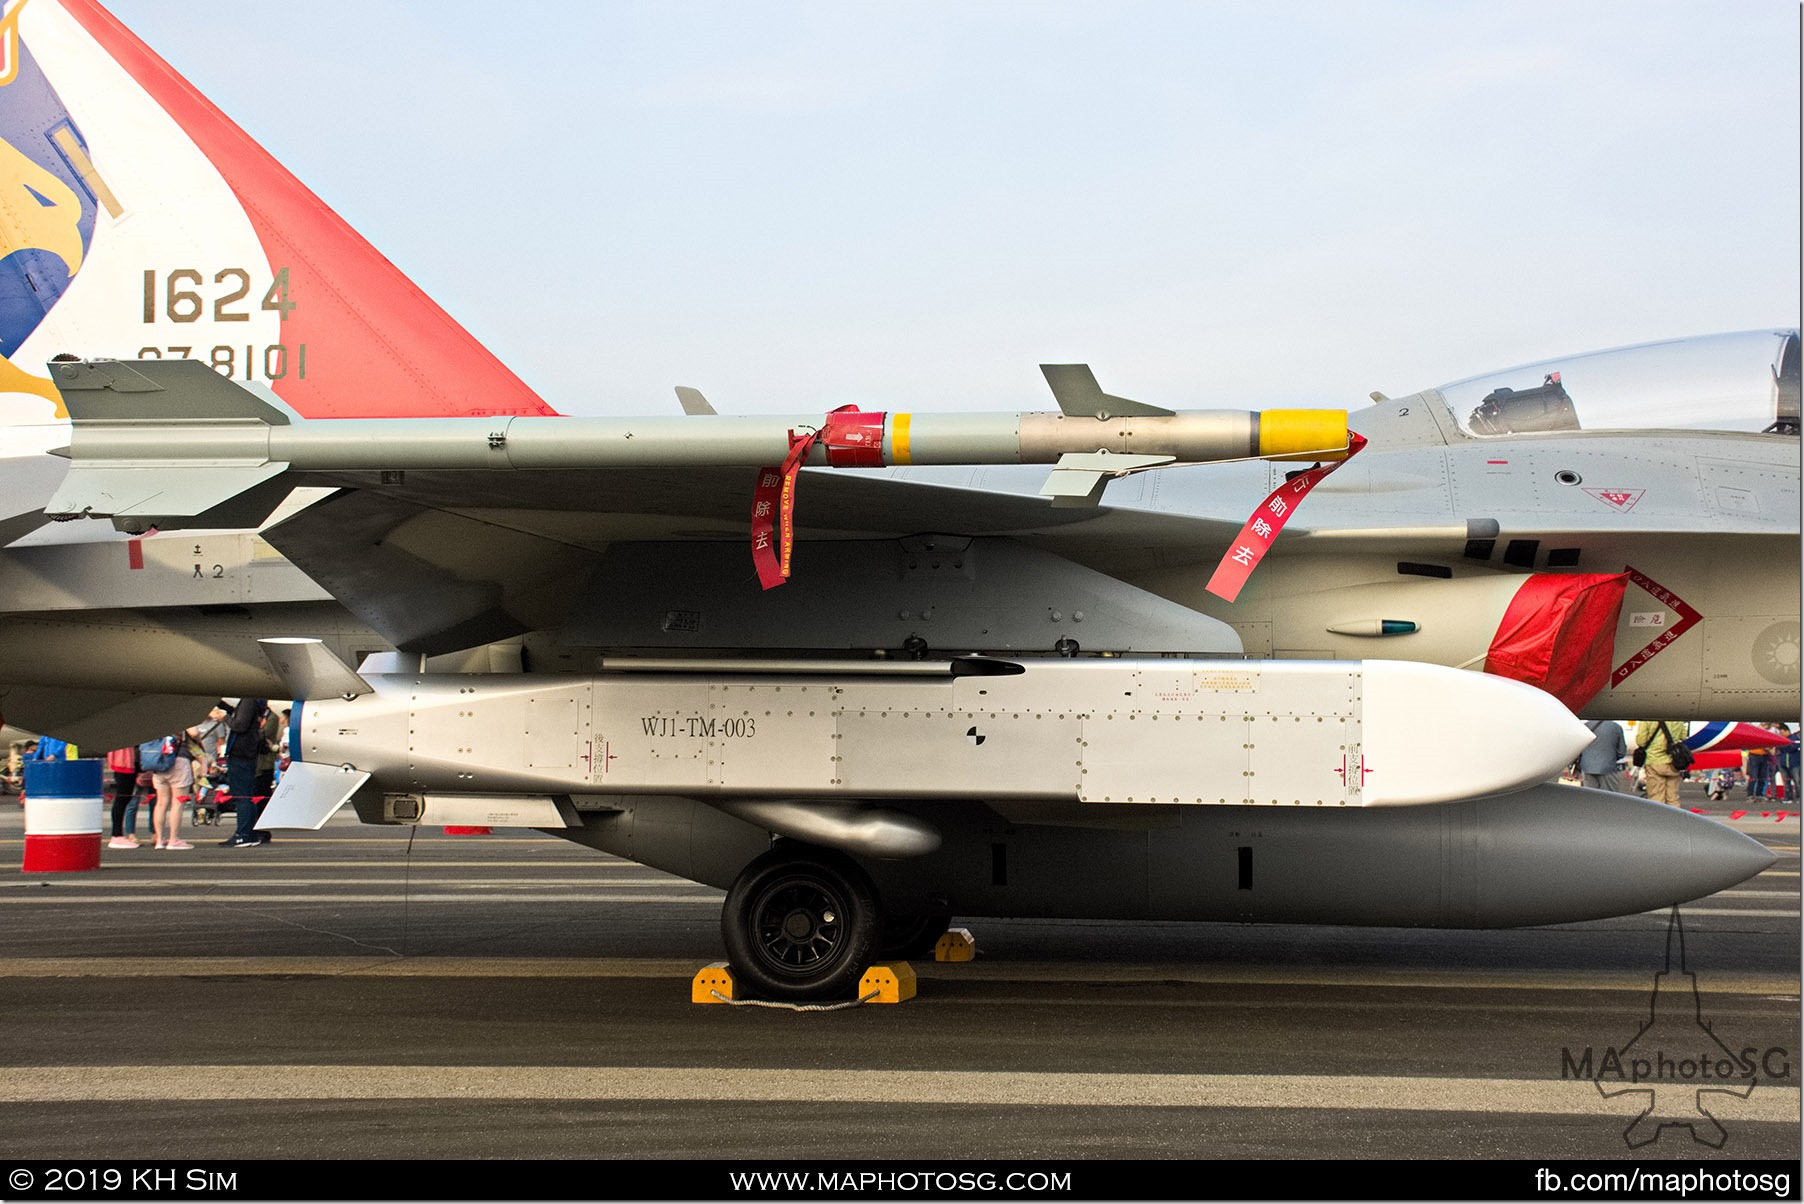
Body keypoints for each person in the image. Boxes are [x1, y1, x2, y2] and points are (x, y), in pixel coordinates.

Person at [220, 699, 272, 847]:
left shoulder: (248, 700)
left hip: (240, 753)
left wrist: (223, 717)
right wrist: (223, 706)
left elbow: (239, 725)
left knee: (242, 796)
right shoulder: (255, 701)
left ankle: (243, 834)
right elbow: (241, 716)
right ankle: (251, 833)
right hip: (248, 753)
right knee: (249, 796)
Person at [144, 732, 196, 850]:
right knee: (177, 803)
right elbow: (195, 732)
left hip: (159, 761)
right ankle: (173, 839)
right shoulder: (179, 717)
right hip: (178, 760)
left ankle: (159, 839)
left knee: (161, 803)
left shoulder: (156, 720)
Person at [1634, 720, 1688, 808]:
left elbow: (1641, 741)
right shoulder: (1677, 719)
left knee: (1656, 797)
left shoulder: (1647, 719)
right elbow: (1683, 736)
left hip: (1654, 760)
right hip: (1673, 762)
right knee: (1673, 798)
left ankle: (1658, 820)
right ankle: (1673, 819)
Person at [1576, 720, 1629, 793]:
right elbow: (1621, 751)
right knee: (1610, 796)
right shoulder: (1616, 727)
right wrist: (1613, 758)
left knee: (1590, 796)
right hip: (1607, 767)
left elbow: (1578, 748)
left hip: (1587, 766)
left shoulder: (1585, 726)